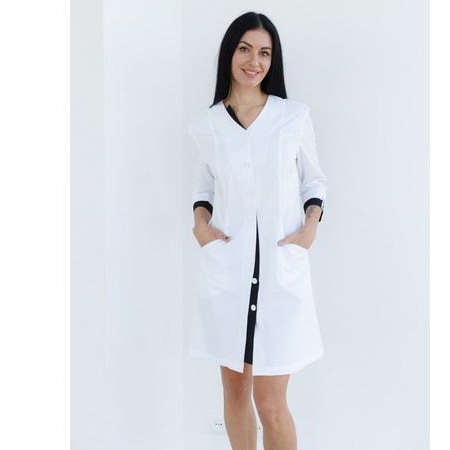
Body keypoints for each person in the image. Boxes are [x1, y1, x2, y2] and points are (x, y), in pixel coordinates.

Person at [187, 11, 327, 450]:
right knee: (234, 393)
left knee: (270, 403)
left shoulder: (293, 117)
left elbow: (314, 182)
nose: (254, 61)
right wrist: (200, 224)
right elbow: (204, 190)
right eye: (245, 49)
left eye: (264, 52)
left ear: (273, 60)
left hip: (280, 275)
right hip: (228, 274)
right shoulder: (207, 125)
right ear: (230, 53)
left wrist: (310, 225)